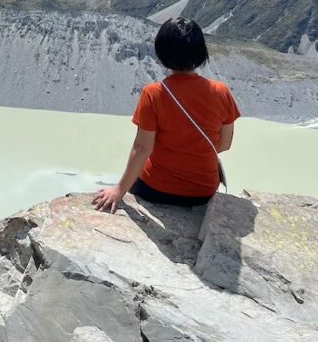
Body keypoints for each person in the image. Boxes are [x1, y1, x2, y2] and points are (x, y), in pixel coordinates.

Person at [92, 17, 241, 212]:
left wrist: (119, 190)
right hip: (203, 192)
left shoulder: (153, 93)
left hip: (156, 188)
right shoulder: (221, 92)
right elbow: (225, 143)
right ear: (200, 52)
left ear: (162, 53)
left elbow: (142, 148)